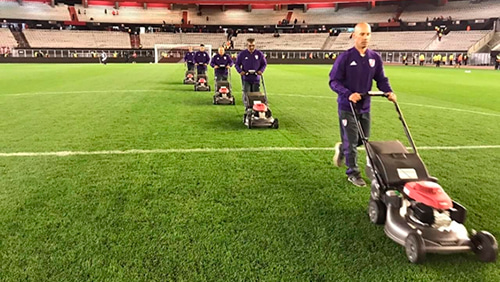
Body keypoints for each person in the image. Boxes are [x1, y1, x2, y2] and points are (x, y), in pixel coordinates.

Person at [330, 22, 396, 187]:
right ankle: (353, 173)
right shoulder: (345, 57)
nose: (365, 38)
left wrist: (388, 92)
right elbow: (334, 81)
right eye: (362, 34)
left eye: (368, 34)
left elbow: (381, 79)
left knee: (363, 139)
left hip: (365, 106)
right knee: (352, 141)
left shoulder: (374, 58)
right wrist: (348, 94)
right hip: (347, 106)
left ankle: (342, 148)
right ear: (354, 35)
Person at [234, 38, 267, 108]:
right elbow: (237, 64)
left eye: (253, 45)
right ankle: (247, 109)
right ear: (247, 45)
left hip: (256, 78)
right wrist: (240, 71)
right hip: (246, 78)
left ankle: (256, 109)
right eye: (250, 46)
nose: (251, 47)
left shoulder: (259, 54)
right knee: (247, 94)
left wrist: (261, 70)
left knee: (256, 95)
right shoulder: (242, 54)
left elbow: (264, 64)